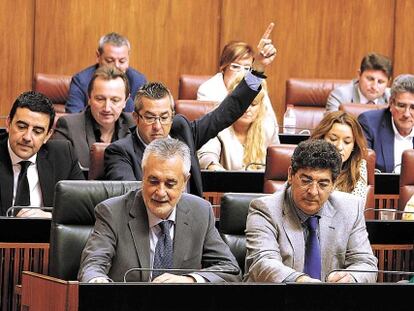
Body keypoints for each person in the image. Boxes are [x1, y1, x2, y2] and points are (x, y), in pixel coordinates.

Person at [104, 23, 277, 197]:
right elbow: (128, 199)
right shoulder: (120, 151)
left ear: (172, 116)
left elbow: (228, 110)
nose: (158, 126)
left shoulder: (182, 132)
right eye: (150, 118)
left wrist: (259, 68)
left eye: (164, 117)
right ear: (136, 117)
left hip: (192, 218)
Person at [78, 138, 241, 283]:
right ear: (143, 176)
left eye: (170, 184)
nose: (161, 192)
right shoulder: (112, 212)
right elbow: (92, 266)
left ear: (185, 182)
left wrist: (190, 280)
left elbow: (229, 269)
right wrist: (98, 283)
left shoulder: (200, 212)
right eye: (153, 181)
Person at [244, 139, 377, 283]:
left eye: (323, 184)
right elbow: (263, 262)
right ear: (290, 175)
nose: (313, 191)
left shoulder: (350, 208)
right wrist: (301, 281)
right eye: (306, 180)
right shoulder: (265, 209)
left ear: (334, 183)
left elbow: (366, 264)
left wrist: (350, 277)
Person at [0, 91, 84, 217]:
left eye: (37, 131)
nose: (27, 137)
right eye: (22, 127)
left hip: (46, 236)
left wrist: (51, 217)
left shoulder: (63, 155)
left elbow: (83, 207)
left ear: (48, 135)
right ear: (8, 123)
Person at [53, 66, 134, 169]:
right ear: (89, 98)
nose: (107, 108)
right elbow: (58, 172)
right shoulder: (69, 127)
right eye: (100, 99)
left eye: (115, 100)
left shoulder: (135, 126)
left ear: (125, 102)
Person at [198, 74, 279, 171]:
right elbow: (207, 155)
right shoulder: (218, 124)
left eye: (253, 105)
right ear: (232, 104)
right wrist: (215, 168)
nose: (247, 109)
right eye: (243, 104)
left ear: (260, 106)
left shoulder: (268, 127)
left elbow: (276, 163)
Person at [197, 40, 278, 136]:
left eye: (247, 68)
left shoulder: (257, 89)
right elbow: (211, 127)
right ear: (223, 68)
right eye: (235, 67)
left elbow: (271, 124)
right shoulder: (208, 89)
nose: (241, 72)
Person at [66, 32, 146, 113]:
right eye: (110, 61)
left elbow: (144, 116)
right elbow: (73, 115)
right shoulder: (80, 81)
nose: (116, 66)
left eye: (122, 61)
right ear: (98, 56)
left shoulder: (139, 81)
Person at [358, 74, 414, 173]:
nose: (406, 114)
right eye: (401, 106)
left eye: (413, 108)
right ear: (391, 103)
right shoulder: (369, 124)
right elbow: (363, 171)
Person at [310, 111, 368, 204]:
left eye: (347, 142)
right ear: (321, 139)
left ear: (354, 146)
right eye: (333, 139)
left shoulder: (359, 166)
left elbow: (355, 206)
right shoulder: (306, 161)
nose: (339, 147)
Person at [326, 52, 393, 112]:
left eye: (380, 82)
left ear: (388, 82)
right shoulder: (341, 96)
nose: (374, 87)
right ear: (359, 75)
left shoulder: (392, 98)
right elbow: (333, 125)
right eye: (370, 79)